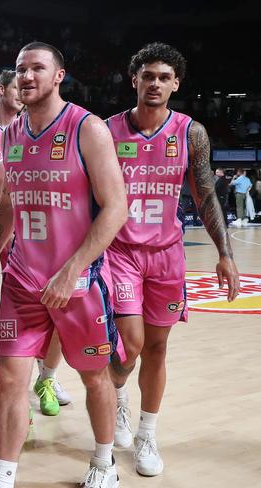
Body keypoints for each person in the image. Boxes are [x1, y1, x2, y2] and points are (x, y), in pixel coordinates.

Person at [0, 42, 128, 488]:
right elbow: (8, 204)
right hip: (24, 278)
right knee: (9, 375)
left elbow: (116, 207)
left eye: (37, 68)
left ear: (59, 75)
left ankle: (104, 464)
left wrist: (75, 266)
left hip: (78, 281)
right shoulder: (11, 134)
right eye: (21, 69)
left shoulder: (88, 128)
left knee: (93, 375)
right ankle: (2, 477)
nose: (26, 76)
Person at [105, 42, 240, 478]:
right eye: (148, 76)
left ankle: (147, 432)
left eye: (164, 77)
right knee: (130, 344)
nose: (156, 83)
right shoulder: (106, 131)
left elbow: (204, 193)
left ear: (176, 83)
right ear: (135, 81)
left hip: (167, 254)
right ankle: (119, 400)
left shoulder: (190, 132)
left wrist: (225, 254)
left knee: (158, 347)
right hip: (120, 251)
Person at [0, 70, 72, 415]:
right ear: (2, 89)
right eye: (16, 87)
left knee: (53, 310)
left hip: (33, 234)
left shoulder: (46, 131)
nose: (23, 93)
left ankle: (46, 378)